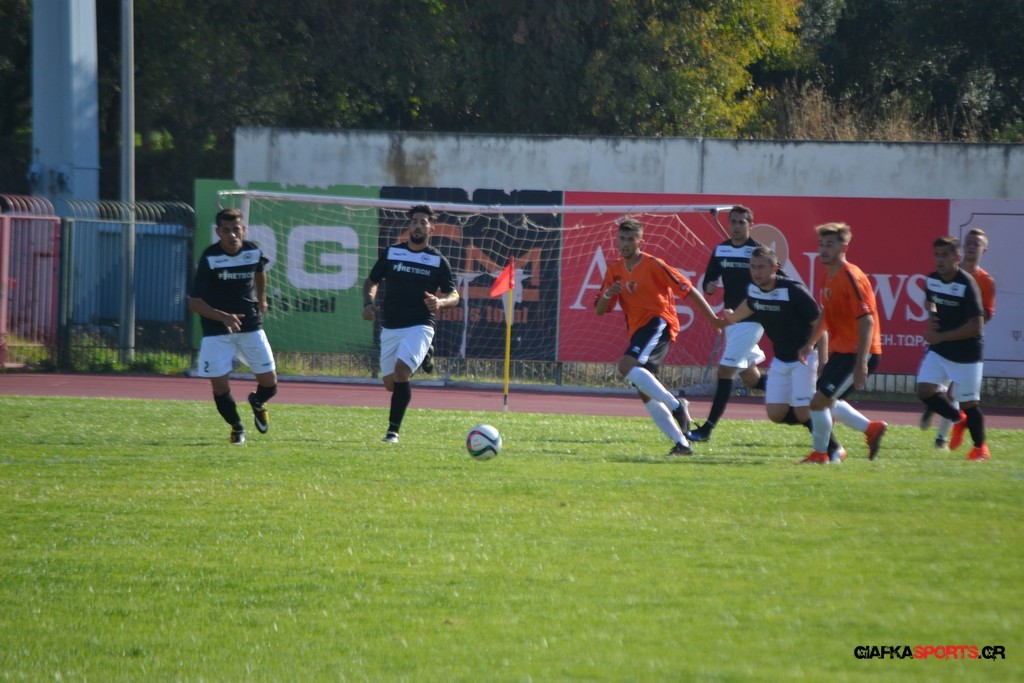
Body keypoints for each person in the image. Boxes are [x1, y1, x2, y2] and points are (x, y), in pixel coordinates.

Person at [595, 218, 721, 456]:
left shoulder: (653, 264)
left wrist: (713, 319)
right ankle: (683, 444)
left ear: (641, 242)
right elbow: (600, 309)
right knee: (646, 391)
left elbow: (688, 289)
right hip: (637, 331)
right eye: (622, 238)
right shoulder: (614, 270)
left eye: (631, 239)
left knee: (625, 366)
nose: (625, 243)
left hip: (659, 323)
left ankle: (676, 405)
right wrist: (608, 294)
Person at [715, 246, 845, 462]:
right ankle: (822, 416)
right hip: (781, 359)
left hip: (805, 358)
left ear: (774, 268)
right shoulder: (755, 290)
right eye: (753, 267)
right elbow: (748, 305)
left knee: (804, 411)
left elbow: (821, 325)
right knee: (776, 414)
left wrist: (823, 360)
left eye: (761, 267)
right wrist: (726, 320)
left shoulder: (794, 290)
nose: (756, 272)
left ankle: (832, 448)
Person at [363, 205, 459, 443]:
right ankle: (426, 354)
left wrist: (441, 302)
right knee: (390, 384)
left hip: (420, 325)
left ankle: (392, 432)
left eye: (423, 222)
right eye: (414, 221)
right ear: (409, 226)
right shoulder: (392, 253)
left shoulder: (438, 260)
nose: (418, 226)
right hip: (391, 326)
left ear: (431, 228)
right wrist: (368, 303)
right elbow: (371, 281)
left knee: (401, 373)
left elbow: (454, 295)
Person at [797, 222, 888, 464]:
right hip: (842, 351)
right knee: (823, 401)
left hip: (858, 352)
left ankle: (822, 454)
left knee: (819, 403)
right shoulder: (828, 276)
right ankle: (871, 429)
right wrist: (810, 343)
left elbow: (867, 320)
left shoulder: (851, 276)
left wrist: (862, 362)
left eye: (830, 244)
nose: (824, 250)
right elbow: (826, 315)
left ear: (844, 247)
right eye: (821, 244)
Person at [189, 207, 278, 445]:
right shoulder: (210, 258)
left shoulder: (252, 251)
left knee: (270, 384)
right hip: (217, 330)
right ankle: (237, 428)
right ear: (218, 232)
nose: (232, 235)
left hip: (250, 326)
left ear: (244, 230)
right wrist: (223, 316)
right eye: (226, 230)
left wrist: (262, 298)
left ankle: (257, 402)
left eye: (236, 229)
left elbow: (259, 271)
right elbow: (194, 302)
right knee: (219, 386)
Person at [686, 205, 772, 443]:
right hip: (732, 320)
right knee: (751, 379)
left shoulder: (758, 252)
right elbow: (708, 281)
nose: (736, 226)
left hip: (752, 319)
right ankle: (801, 392)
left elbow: (778, 279)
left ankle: (707, 429)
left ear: (751, 224)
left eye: (742, 222)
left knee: (725, 371)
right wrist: (709, 286)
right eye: (733, 222)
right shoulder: (721, 249)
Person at [915, 236, 990, 461]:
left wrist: (940, 336)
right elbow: (930, 302)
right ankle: (958, 419)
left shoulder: (967, 284)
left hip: (967, 354)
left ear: (957, 257)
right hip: (941, 349)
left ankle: (980, 448)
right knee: (924, 389)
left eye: (945, 255)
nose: (940, 260)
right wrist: (932, 317)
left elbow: (976, 326)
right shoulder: (932, 279)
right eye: (937, 255)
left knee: (970, 404)